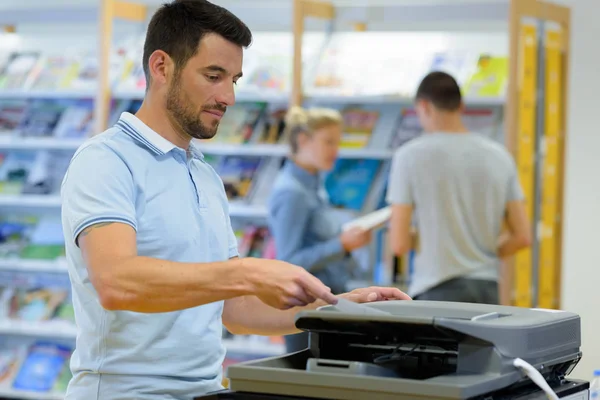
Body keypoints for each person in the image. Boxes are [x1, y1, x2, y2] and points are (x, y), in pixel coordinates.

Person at [59, 1, 409, 399]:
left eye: (234, 79)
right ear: (161, 67)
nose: (228, 96)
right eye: (213, 75)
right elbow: (116, 282)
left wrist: (338, 308)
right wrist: (246, 273)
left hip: (207, 389)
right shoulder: (106, 160)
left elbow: (237, 310)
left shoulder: (204, 175)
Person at [386, 71, 531, 305]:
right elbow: (522, 236)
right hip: (487, 290)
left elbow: (399, 243)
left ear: (423, 106)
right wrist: (479, 253)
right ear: (461, 106)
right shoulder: (499, 156)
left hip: (435, 289)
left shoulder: (409, 156)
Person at [267, 106, 372, 353]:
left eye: (337, 142)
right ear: (303, 140)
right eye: (329, 142)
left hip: (325, 301)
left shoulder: (314, 183)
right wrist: (342, 245)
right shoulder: (292, 192)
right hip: (306, 308)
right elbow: (289, 260)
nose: (336, 151)